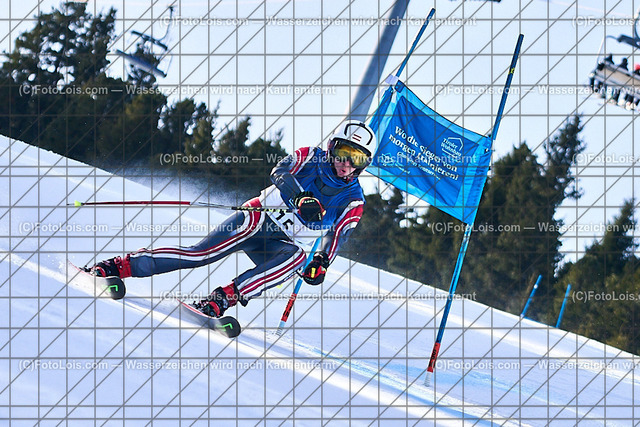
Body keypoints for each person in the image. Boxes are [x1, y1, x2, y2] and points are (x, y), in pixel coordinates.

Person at [86, 120, 377, 318]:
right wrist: (300, 197)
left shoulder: (354, 199)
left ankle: (221, 299)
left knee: (298, 259)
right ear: (331, 147)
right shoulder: (310, 156)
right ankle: (119, 266)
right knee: (200, 255)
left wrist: (321, 262)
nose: (346, 164)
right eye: (343, 153)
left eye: (357, 158)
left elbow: (338, 236)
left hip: (281, 244)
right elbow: (279, 172)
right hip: (257, 219)